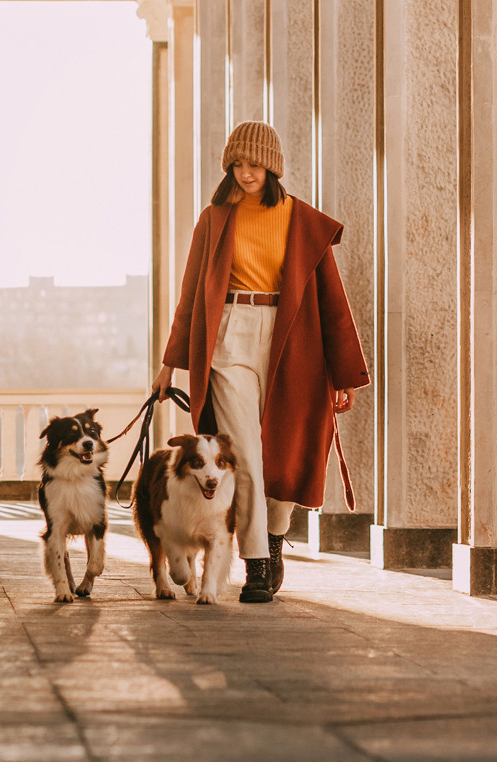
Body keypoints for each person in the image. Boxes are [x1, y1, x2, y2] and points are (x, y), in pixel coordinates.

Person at [153, 121, 369, 603]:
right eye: (237, 163)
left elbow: (332, 299)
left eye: (254, 164)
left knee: (286, 451)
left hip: (292, 338)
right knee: (245, 454)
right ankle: (255, 563)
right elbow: (191, 293)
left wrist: (344, 372)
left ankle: (274, 534)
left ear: (272, 167)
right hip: (230, 334)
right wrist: (170, 362)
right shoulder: (215, 218)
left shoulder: (302, 220)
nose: (245, 173)